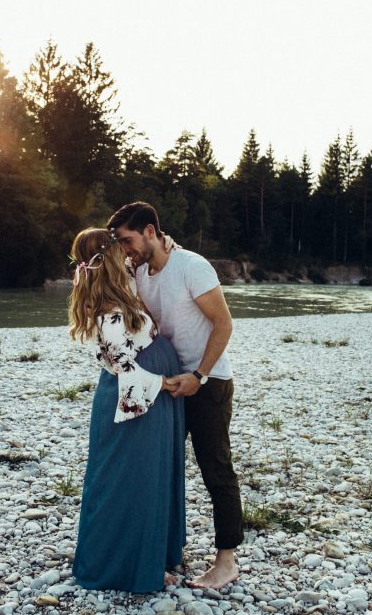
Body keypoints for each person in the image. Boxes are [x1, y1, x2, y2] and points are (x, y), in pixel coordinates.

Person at [107, 202, 242, 589]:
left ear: (151, 231)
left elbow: (224, 323)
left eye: (128, 240)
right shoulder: (138, 270)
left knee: (216, 470)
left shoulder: (192, 267)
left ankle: (227, 562)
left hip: (208, 381)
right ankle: (160, 551)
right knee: (160, 466)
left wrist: (199, 375)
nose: (125, 249)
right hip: (168, 385)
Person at [67, 227, 187, 593]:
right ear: (111, 257)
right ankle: (131, 565)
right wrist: (167, 384)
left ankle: (153, 552)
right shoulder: (108, 312)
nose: (128, 254)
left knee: (152, 475)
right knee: (132, 482)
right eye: (122, 249)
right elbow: (124, 369)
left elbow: (154, 260)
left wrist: (170, 246)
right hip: (137, 402)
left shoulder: (122, 288)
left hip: (152, 401)